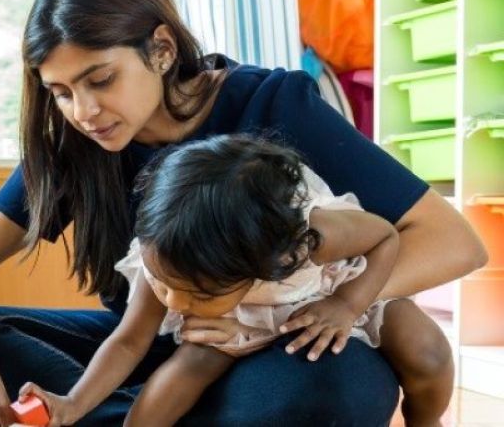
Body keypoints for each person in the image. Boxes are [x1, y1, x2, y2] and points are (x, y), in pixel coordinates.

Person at [0, 0, 486, 425]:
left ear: (162, 50)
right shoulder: (72, 144)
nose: (84, 111)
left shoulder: (273, 104)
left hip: (279, 344)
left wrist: (285, 308)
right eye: (61, 92)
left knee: (331, 387)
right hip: (153, 346)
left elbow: (453, 242)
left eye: (101, 80)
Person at [25, 135, 452, 426]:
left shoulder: (312, 238)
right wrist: (72, 403)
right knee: (188, 367)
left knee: (426, 350)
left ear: (270, 260)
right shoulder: (167, 258)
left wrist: (347, 305)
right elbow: (127, 342)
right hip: (236, 323)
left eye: (197, 293)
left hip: (327, 295)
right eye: (164, 284)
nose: (174, 302)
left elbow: (385, 236)